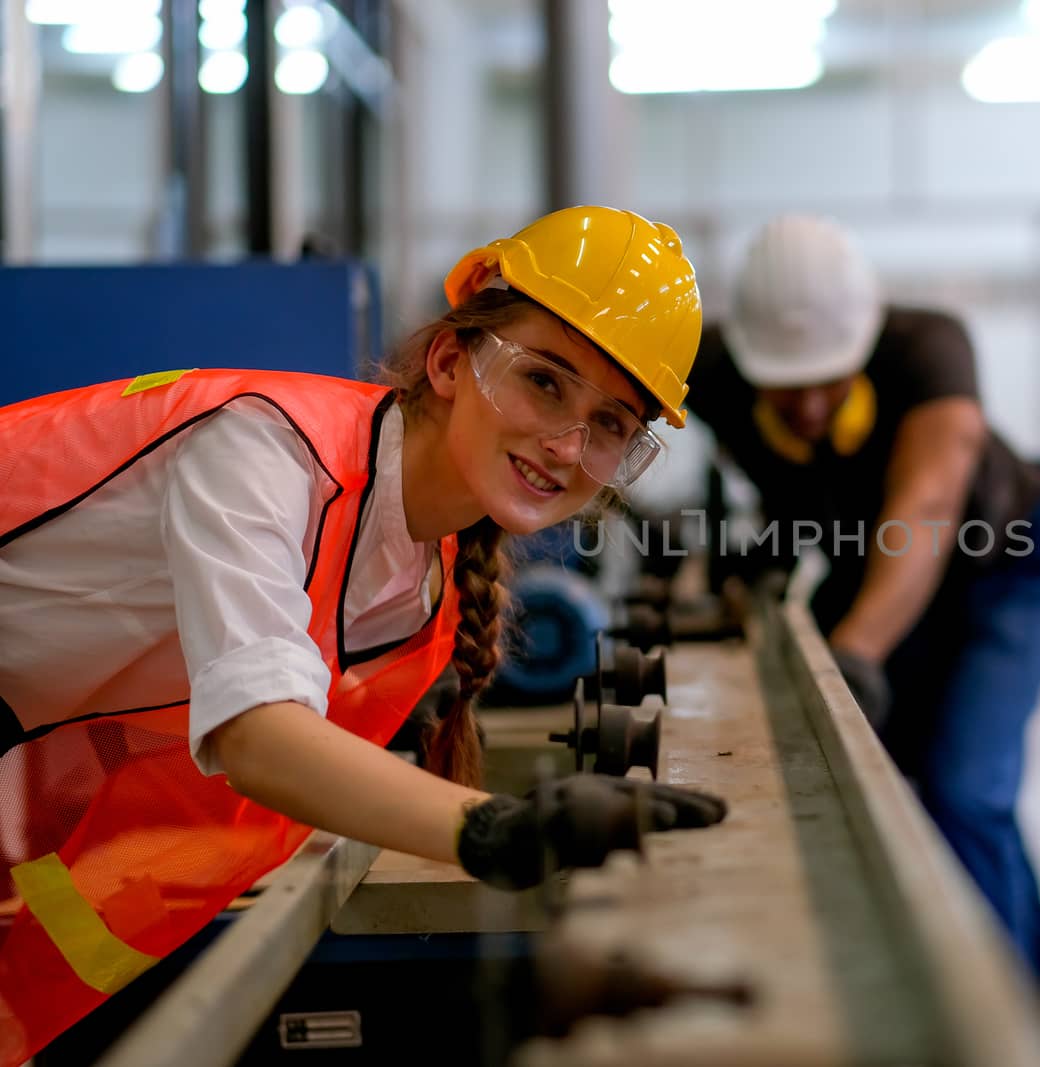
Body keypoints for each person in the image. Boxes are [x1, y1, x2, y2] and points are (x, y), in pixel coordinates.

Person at [0, 206, 726, 1064]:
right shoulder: (267, 450)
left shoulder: (418, 603)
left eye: (610, 424)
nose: (567, 444)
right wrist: (493, 827)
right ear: (452, 361)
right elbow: (257, 737)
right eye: (544, 380)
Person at [687, 215, 1040, 1046]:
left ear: (864, 342)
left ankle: (1006, 1041)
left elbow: (926, 509)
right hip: (879, 566)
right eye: (782, 383)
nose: (804, 405)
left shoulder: (928, 348)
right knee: (941, 791)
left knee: (961, 787)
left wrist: (859, 650)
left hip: (1006, 560)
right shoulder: (716, 370)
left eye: (826, 381)